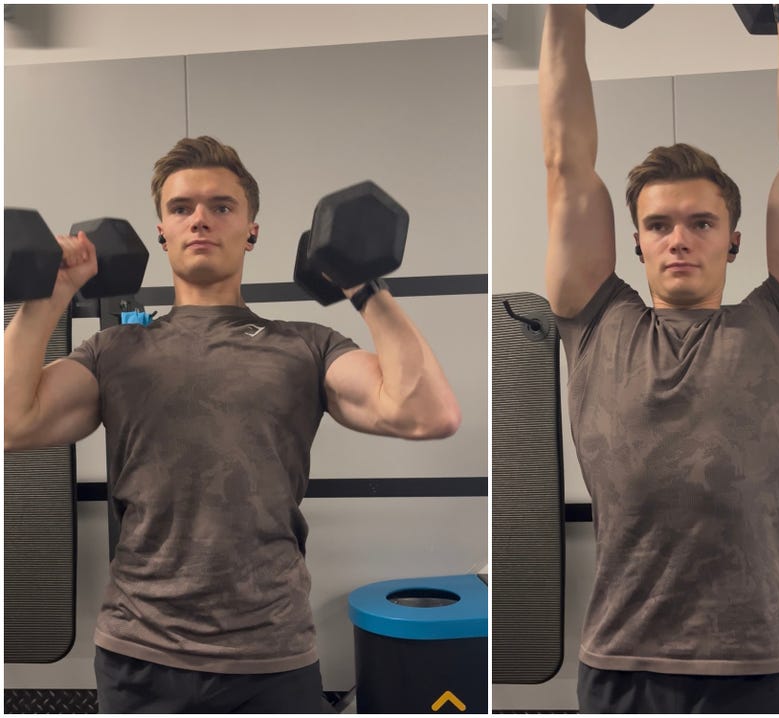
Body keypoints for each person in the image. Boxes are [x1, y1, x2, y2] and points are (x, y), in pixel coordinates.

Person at [4, 136, 462, 713]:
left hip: (269, 651)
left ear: (252, 230)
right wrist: (49, 299)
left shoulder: (305, 346)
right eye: (181, 209)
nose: (200, 220)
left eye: (221, 207)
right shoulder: (114, 350)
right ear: (161, 233)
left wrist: (362, 285)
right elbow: (11, 422)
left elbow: (428, 414)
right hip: (138, 650)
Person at [538, 4, 779, 713]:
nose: (679, 240)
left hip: (757, 667)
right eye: (659, 225)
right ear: (634, 241)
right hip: (623, 666)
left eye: (702, 223)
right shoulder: (597, 321)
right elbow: (565, 163)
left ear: (733, 239)